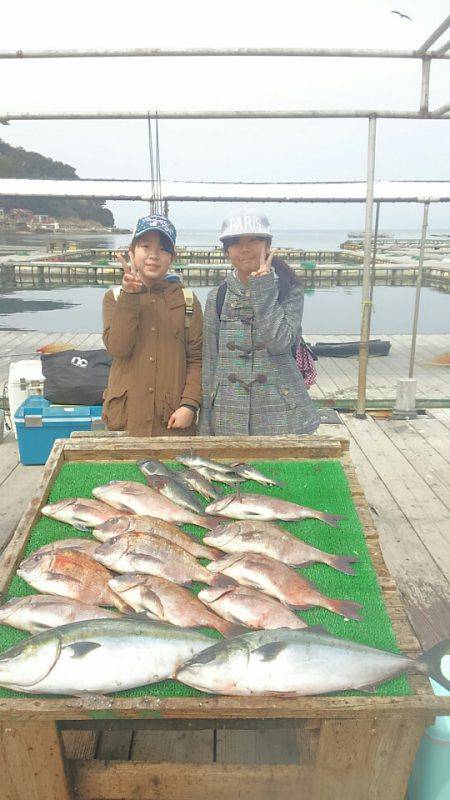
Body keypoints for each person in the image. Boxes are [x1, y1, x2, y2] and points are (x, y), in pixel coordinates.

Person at [199, 208, 320, 436]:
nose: (245, 249)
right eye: (236, 242)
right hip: (228, 411)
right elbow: (210, 362)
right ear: (227, 250)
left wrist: (263, 287)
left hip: (280, 409)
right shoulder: (217, 296)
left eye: (253, 240)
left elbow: (279, 343)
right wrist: (205, 425)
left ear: (267, 245)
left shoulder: (289, 289)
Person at [102, 214, 202, 436]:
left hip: (172, 421)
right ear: (132, 251)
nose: (153, 255)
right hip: (126, 422)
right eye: (145, 246)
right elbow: (119, 348)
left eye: (163, 249)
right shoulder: (115, 298)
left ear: (172, 257)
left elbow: (197, 359)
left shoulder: (188, 301)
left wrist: (189, 404)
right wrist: (129, 295)